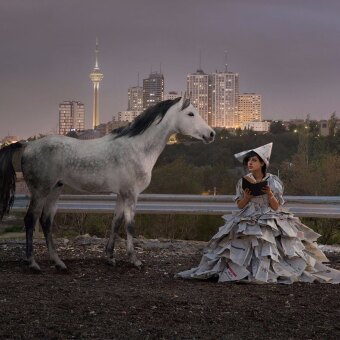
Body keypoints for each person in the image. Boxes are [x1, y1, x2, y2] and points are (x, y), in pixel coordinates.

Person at [176, 143, 340, 284]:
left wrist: (269, 194)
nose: (250, 163)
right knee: (239, 239)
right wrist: (247, 197)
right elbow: (240, 205)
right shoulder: (243, 181)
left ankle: (268, 270)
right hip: (248, 214)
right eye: (249, 160)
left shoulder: (273, 181)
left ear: (262, 163)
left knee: (269, 240)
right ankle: (241, 270)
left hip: (268, 215)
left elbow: (276, 207)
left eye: (254, 160)